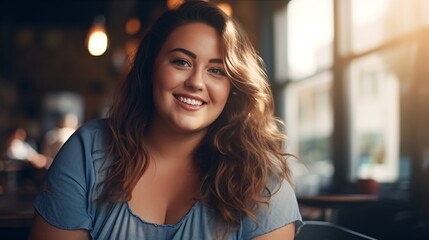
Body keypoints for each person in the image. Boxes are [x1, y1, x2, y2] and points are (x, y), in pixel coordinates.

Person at [29, 1, 302, 239]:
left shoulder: (264, 181)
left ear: (234, 88)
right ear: (150, 69)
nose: (196, 82)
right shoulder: (88, 150)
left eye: (217, 70)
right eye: (181, 62)